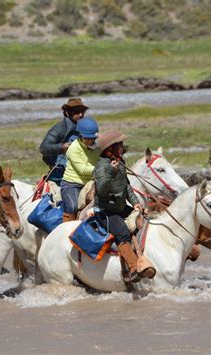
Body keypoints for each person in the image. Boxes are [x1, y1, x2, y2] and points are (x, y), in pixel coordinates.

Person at [93, 130, 156, 283]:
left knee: (145, 221)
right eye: (119, 144)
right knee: (122, 233)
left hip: (121, 208)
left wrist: (136, 203)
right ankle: (134, 268)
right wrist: (110, 172)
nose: (122, 147)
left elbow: (127, 187)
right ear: (111, 148)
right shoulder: (101, 167)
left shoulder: (119, 163)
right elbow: (101, 190)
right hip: (105, 211)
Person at [39, 98, 89, 186]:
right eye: (77, 112)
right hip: (59, 174)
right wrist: (62, 147)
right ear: (68, 113)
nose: (81, 115)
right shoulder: (60, 128)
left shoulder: (84, 128)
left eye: (82, 112)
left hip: (80, 173)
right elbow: (43, 148)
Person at [60, 117, 100, 222]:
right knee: (72, 207)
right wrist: (101, 168)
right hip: (72, 184)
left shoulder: (96, 148)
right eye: (86, 138)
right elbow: (82, 169)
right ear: (80, 135)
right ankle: (65, 229)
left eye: (92, 138)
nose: (89, 141)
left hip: (91, 182)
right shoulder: (74, 148)